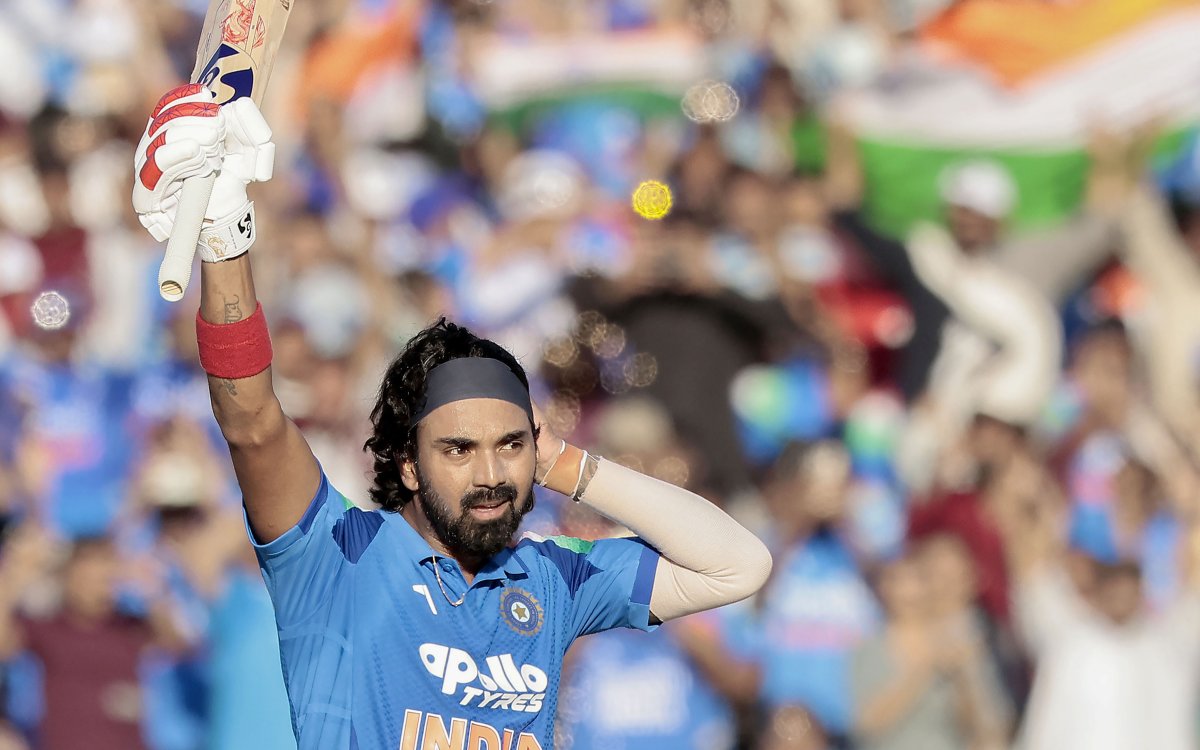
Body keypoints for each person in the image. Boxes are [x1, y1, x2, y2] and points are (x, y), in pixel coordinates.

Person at [130, 84, 772, 750]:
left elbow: (738, 565)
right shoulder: (338, 554)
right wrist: (223, 238)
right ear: (408, 464)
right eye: (459, 449)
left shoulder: (549, 576)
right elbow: (252, 422)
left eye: (511, 446)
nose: (490, 473)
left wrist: (566, 464)